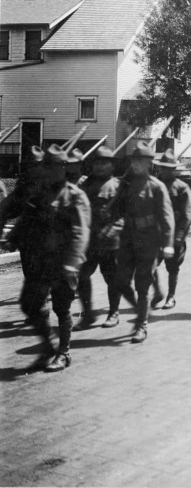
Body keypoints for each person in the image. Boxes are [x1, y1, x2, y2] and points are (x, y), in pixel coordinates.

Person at [20, 144, 90, 372]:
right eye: (46, 165)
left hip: (64, 261)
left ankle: (64, 353)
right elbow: (27, 220)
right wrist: (14, 236)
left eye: (56, 166)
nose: (50, 170)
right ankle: (48, 348)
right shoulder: (40, 194)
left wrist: (72, 262)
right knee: (29, 303)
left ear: (64, 168)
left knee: (62, 308)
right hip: (41, 260)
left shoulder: (75, 196)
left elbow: (81, 232)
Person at [112, 141, 175, 343]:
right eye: (133, 160)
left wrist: (168, 244)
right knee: (121, 282)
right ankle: (141, 309)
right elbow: (115, 209)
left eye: (140, 160)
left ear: (149, 163)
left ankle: (141, 325)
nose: (136, 164)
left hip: (148, 240)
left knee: (142, 285)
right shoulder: (126, 185)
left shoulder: (156, 187)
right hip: (128, 237)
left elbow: (167, 218)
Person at [73, 147, 124, 331]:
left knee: (112, 279)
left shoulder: (118, 186)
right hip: (88, 242)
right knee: (82, 277)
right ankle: (88, 315)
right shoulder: (84, 185)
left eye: (104, 163)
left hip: (110, 242)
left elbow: (125, 215)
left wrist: (114, 229)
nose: (100, 167)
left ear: (112, 166)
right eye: (97, 163)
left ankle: (113, 313)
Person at [0, 147, 47, 325]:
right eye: (29, 166)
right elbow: (7, 209)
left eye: (36, 165)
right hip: (28, 238)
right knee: (30, 272)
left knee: (42, 273)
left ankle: (42, 306)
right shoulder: (23, 187)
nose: (32, 169)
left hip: (48, 237)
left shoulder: (51, 185)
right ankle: (38, 307)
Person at [151, 149, 191, 310]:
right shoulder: (154, 185)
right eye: (163, 167)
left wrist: (179, 237)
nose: (165, 171)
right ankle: (157, 292)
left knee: (173, 268)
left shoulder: (182, 188)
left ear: (175, 169)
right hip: (156, 234)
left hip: (174, 235)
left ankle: (171, 296)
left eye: (169, 168)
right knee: (150, 265)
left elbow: (187, 215)